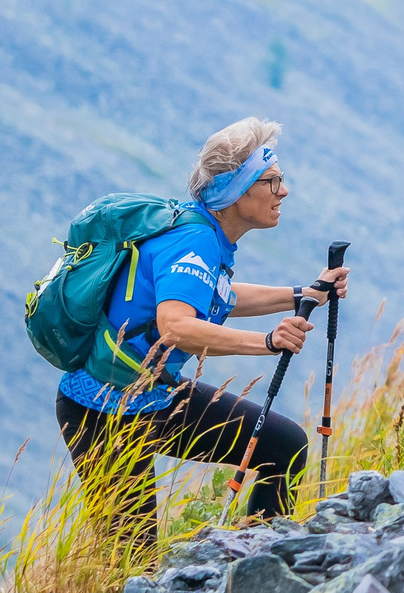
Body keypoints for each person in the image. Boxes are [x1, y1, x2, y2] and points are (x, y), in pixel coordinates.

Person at [55, 118, 348, 549]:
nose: (283, 191)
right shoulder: (194, 242)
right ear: (236, 191)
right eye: (272, 181)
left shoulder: (205, 233)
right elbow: (175, 326)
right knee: (132, 557)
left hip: (151, 395)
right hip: (101, 411)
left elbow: (219, 296)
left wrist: (303, 293)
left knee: (283, 444)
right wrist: (267, 342)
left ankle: (256, 565)